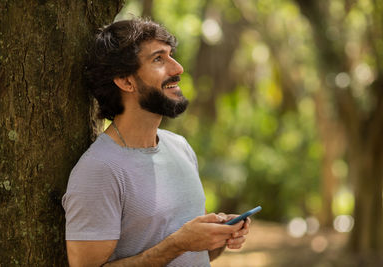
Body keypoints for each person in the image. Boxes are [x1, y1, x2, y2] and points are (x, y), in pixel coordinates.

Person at [62, 18, 251, 267]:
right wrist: (178, 243)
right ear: (126, 81)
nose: (178, 68)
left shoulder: (180, 147)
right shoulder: (99, 169)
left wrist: (218, 235)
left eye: (171, 55)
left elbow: (193, 255)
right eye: (158, 59)